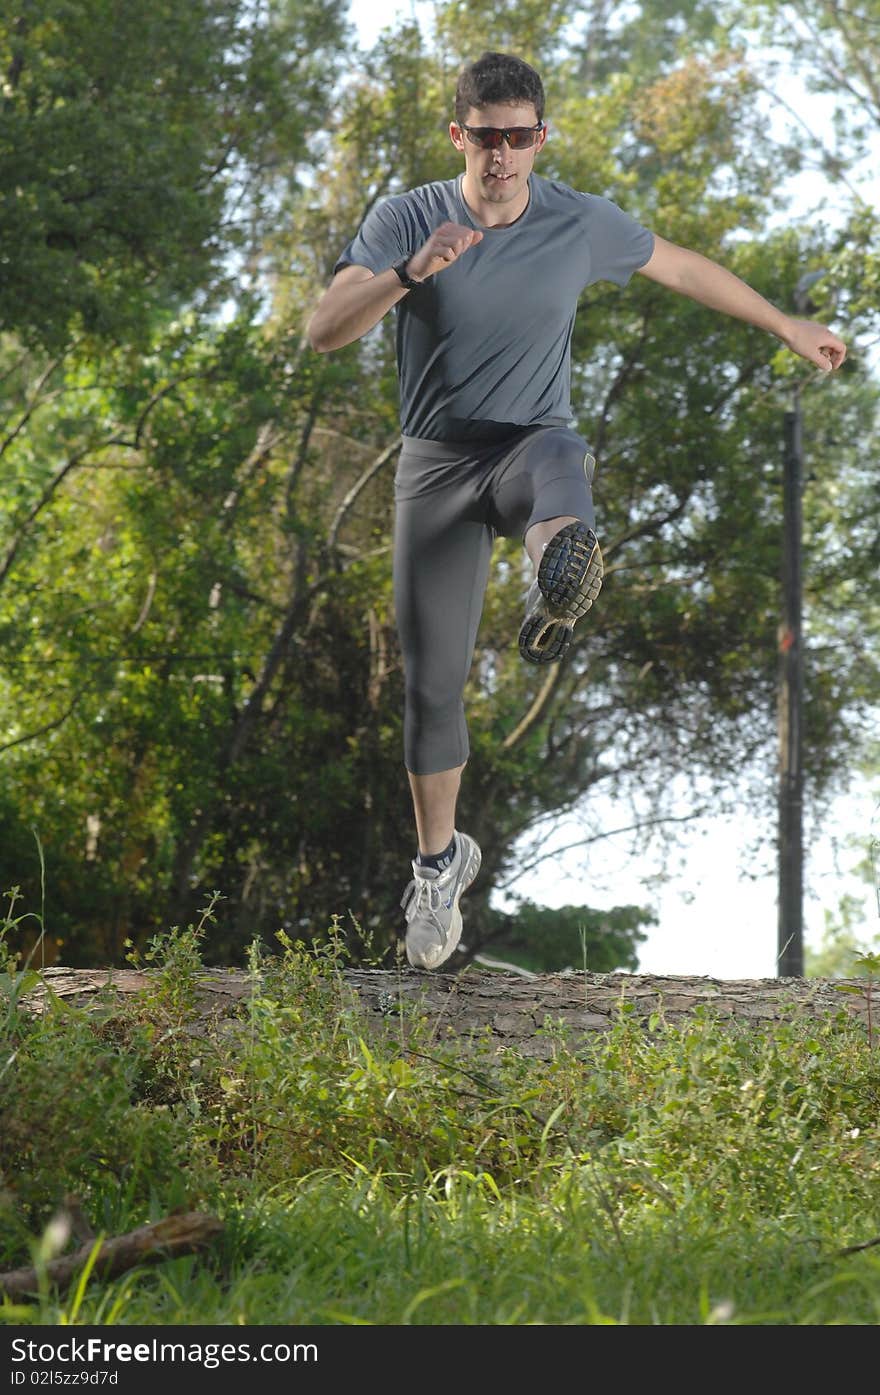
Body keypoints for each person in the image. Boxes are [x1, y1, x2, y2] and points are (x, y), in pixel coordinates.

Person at [306, 50, 847, 973]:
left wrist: (786, 326)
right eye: (486, 139)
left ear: (539, 139)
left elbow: (681, 267)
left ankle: (558, 578)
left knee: (561, 468)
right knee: (430, 690)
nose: (502, 156)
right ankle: (439, 867)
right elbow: (324, 329)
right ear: (460, 138)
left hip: (528, 446)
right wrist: (409, 269)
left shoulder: (578, 221)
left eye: (519, 138)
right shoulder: (407, 216)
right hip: (436, 464)